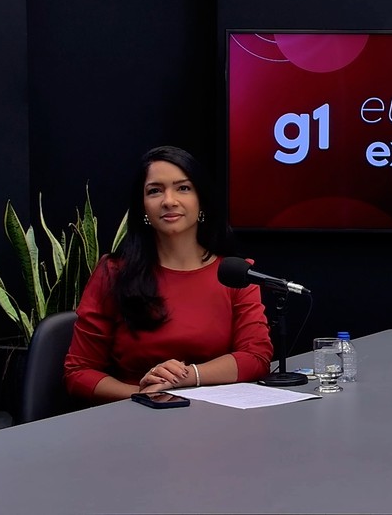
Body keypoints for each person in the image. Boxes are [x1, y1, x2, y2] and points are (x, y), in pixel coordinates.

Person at [65, 145, 274, 403]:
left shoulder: (235, 273)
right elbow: (78, 372)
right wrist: (142, 395)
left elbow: (256, 357)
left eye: (183, 188)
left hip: (217, 416)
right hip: (136, 414)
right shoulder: (114, 272)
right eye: (155, 191)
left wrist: (186, 376)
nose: (169, 201)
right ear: (142, 207)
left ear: (201, 200)